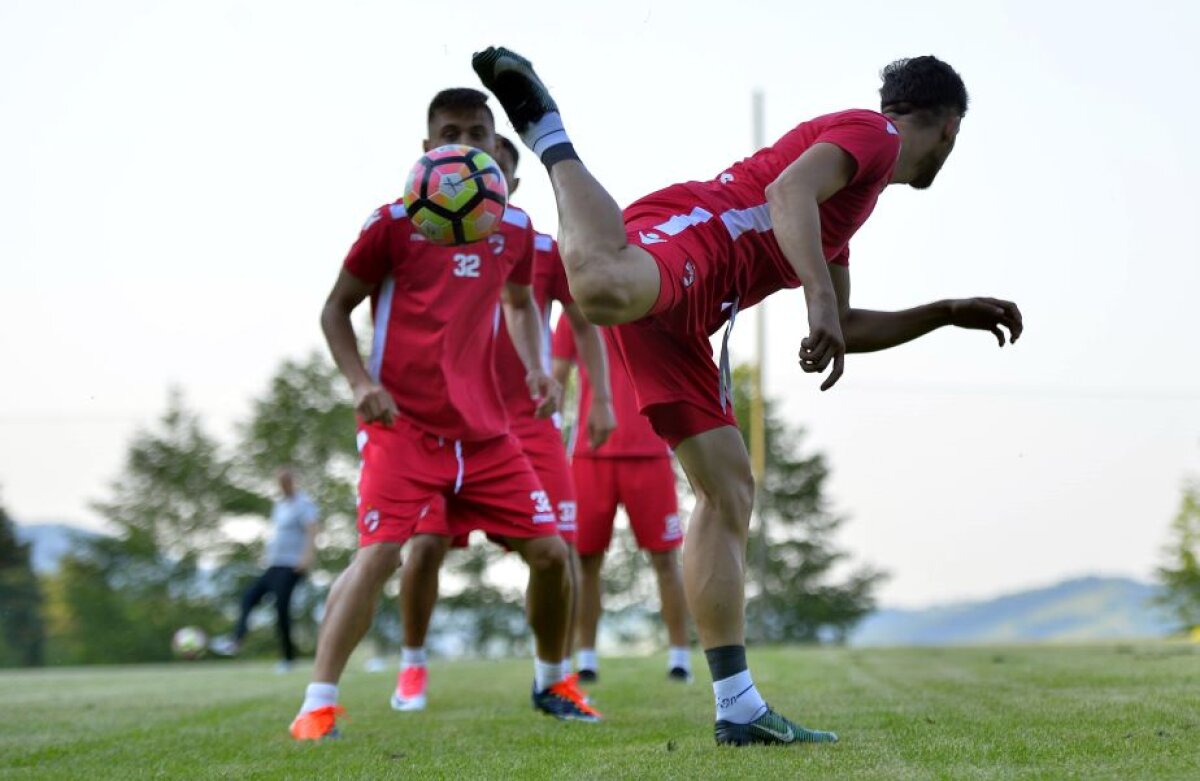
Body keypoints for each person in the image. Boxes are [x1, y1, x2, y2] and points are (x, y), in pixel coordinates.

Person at [472, 48, 1023, 746]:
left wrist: (943, 310)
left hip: (700, 311)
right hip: (698, 232)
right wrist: (817, 295)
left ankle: (736, 705)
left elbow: (845, 326)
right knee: (604, 288)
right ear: (948, 129)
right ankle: (549, 135)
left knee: (729, 490)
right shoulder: (873, 135)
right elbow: (784, 195)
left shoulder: (852, 204)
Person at [289, 87, 596, 742]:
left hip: (486, 434)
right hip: (402, 427)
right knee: (380, 555)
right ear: (428, 150)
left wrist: (538, 364)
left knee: (549, 554)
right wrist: (359, 382)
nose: (465, 142)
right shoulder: (390, 224)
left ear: (495, 146)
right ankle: (317, 703)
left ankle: (553, 681)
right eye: (450, 132)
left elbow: (520, 305)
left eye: (478, 133)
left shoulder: (513, 227)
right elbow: (333, 310)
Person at [391, 135, 615, 713]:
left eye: (495, 171)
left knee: (556, 553)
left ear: (509, 185)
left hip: (528, 423)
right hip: (447, 426)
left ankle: (555, 678)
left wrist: (602, 401)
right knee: (425, 547)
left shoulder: (536, 245)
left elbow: (583, 323)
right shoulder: (422, 239)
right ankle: (413, 664)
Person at [551, 317, 692, 684]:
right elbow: (557, 374)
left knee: (665, 557)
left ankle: (680, 657)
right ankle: (586, 657)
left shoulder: (647, 293)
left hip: (650, 449)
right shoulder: (574, 310)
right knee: (584, 560)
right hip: (590, 451)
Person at [211, 468, 318, 672]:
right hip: (274, 565)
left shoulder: (304, 503)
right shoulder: (280, 505)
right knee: (249, 597)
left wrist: (306, 558)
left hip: (292, 566)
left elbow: (312, 530)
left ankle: (288, 659)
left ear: (293, 481)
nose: (283, 484)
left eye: (287, 480)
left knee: (281, 610)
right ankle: (236, 640)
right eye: (280, 481)